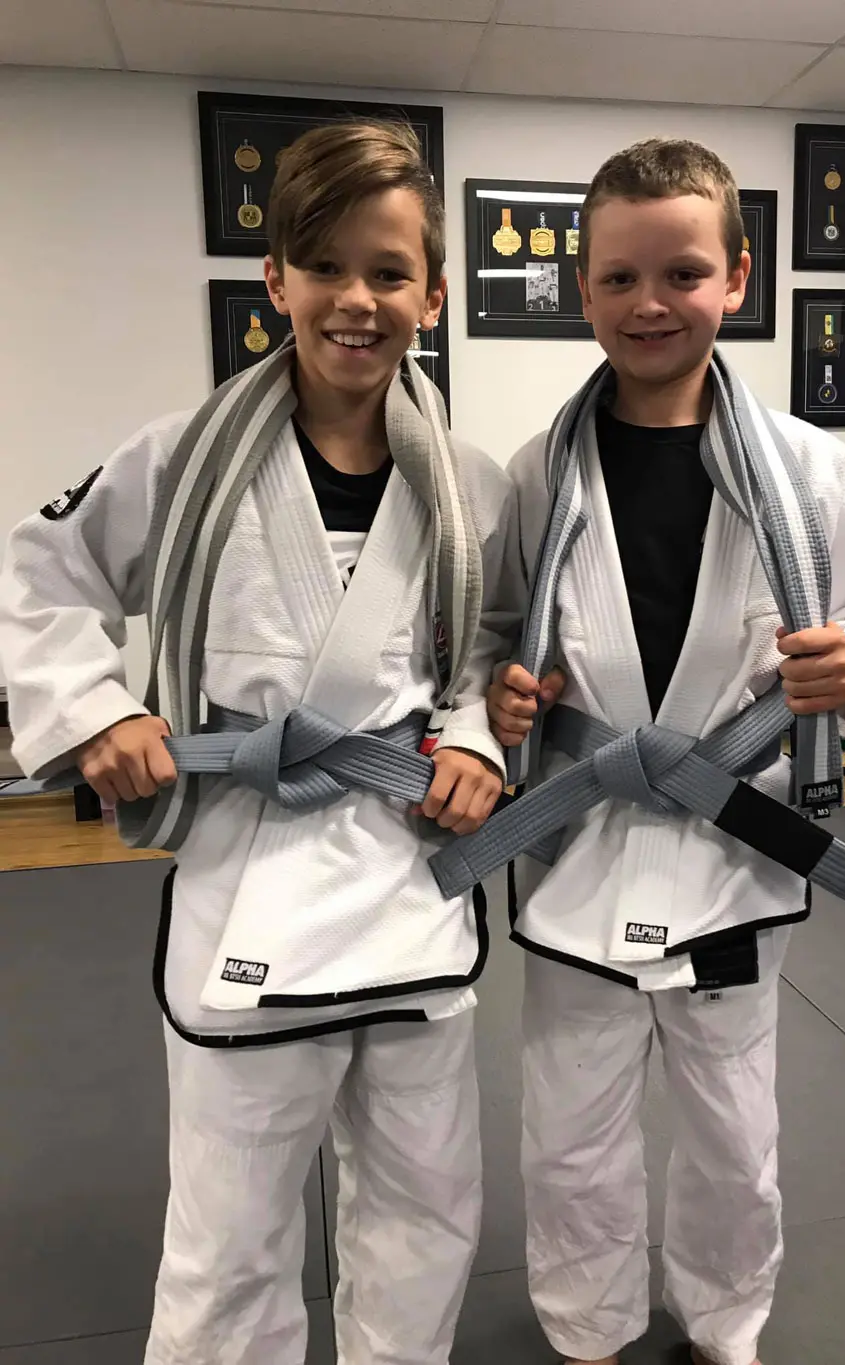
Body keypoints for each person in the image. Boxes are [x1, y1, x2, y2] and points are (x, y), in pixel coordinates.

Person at [0, 121, 519, 1365]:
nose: (358, 299)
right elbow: (39, 572)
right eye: (323, 265)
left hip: (405, 871)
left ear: (432, 295)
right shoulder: (180, 459)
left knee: (426, 1213)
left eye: (390, 273)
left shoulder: (473, 481)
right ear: (273, 278)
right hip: (251, 874)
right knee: (229, 1234)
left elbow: (489, 651)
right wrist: (101, 711)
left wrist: (472, 742)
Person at [484, 139, 845, 1365]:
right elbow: (490, 633)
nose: (649, 304)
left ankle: (726, 1322)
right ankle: (584, 1326)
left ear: (736, 277)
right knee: (569, 1124)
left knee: (731, 1122)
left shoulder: (806, 465)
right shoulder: (540, 473)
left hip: (731, 850)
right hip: (581, 843)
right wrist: (503, 697)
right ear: (582, 290)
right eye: (619, 278)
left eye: (682, 272)